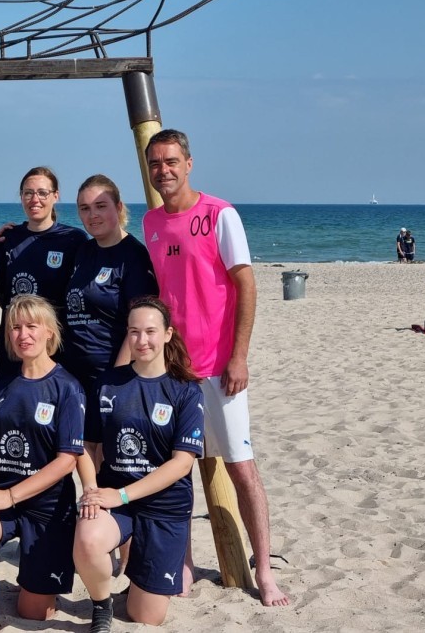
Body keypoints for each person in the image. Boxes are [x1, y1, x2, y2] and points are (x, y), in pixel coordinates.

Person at [141, 128, 289, 606]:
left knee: (241, 468)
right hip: (173, 370)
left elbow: (245, 285)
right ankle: (180, 564)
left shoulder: (220, 214)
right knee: (177, 469)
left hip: (220, 370)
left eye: (171, 161)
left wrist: (239, 357)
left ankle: (264, 570)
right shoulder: (151, 223)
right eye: (155, 163)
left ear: (188, 163)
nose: (164, 170)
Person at [0, 294, 84, 633]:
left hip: (47, 507)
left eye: (32, 327)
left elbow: (67, 461)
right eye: (15, 328)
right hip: (3, 502)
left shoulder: (68, 387)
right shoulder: (1, 384)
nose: (23, 334)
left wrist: (10, 496)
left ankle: (33, 578)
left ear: (49, 333)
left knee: (35, 613)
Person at [73, 296, 204, 631]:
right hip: (117, 500)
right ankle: (101, 605)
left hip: (164, 506)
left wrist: (123, 495)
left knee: (146, 616)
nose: (141, 340)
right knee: (88, 538)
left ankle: (138, 583)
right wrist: (91, 489)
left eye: (150, 332)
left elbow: (181, 464)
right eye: (134, 332)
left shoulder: (186, 390)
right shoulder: (107, 384)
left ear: (167, 334)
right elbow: (87, 447)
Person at [63, 174, 158, 392]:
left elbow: (139, 325)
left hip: (111, 377)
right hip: (73, 376)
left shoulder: (134, 255)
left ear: (118, 207)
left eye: (100, 206)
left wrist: (117, 377)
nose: (92, 215)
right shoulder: (83, 251)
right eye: (84, 208)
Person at [0, 167, 88, 379]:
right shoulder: (8, 239)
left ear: (55, 196)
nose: (35, 199)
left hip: (56, 342)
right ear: (21, 197)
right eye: (28, 193)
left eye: (42, 193)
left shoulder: (74, 239)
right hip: (16, 340)